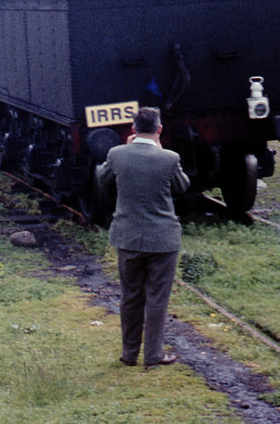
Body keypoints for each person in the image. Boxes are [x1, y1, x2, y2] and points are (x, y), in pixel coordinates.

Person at [96, 107, 188, 368]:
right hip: (163, 240)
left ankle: (129, 353)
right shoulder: (169, 158)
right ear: (159, 130)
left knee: (130, 296)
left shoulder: (116, 154)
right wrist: (160, 152)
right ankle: (154, 354)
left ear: (132, 130)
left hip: (128, 238)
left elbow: (102, 179)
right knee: (158, 299)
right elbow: (182, 187)